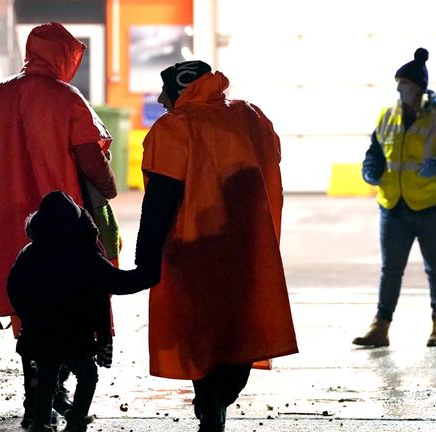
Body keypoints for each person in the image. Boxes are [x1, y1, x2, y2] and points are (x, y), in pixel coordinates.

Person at [133, 60, 298, 432]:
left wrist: (146, 261)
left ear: (180, 89)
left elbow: (160, 200)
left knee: (202, 331)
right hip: (248, 248)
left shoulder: (176, 128)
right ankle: (218, 400)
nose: (160, 99)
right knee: (239, 330)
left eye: (165, 92)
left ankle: (210, 403)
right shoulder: (251, 117)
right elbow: (270, 160)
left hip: (194, 247)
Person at [0, 22, 118, 426]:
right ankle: (55, 390)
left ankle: (38, 391)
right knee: (69, 306)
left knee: (27, 309)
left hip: (5, 225)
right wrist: (109, 188)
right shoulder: (67, 99)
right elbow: (91, 158)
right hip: (62, 227)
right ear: (64, 56)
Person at [352, 48, 436, 348]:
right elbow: (375, 153)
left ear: (418, 88)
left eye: (404, 84)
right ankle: (381, 328)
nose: (399, 89)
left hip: (434, 209)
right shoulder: (386, 116)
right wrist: (370, 170)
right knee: (390, 269)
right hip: (394, 207)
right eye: (398, 83)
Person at [7, 191, 150, 432]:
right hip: (76, 335)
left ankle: (40, 423)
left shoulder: (30, 254)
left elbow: (14, 289)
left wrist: (29, 316)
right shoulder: (86, 255)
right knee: (87, 375)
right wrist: (150, 274)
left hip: (40, 333)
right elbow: (118, 282)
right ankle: (77, 416)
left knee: (46, 380)